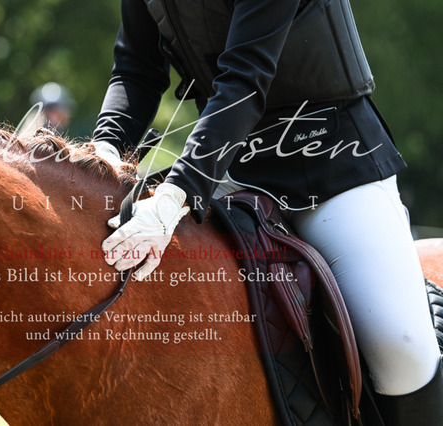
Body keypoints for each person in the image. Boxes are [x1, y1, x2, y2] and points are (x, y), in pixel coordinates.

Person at [92, 0, 442, 424]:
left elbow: (246, 76)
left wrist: (176, 194)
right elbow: (136, 70)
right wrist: (103, 151)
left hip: (332, 159)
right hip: (229, 167)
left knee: (400, 346)